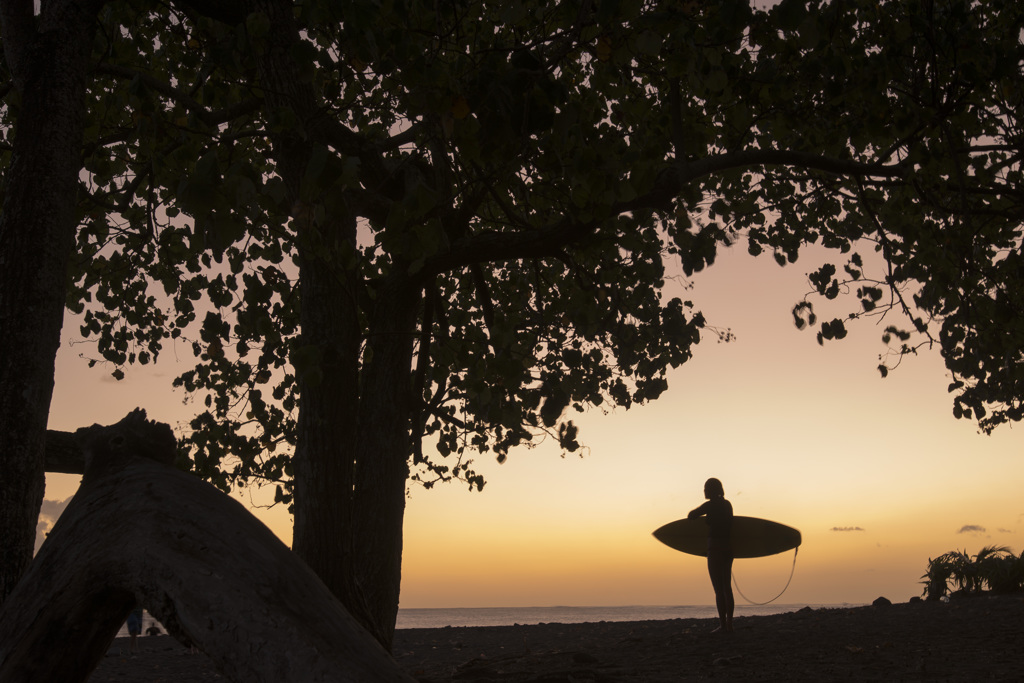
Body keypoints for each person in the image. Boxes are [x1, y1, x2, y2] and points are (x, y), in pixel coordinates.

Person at [688, 477, 734, 633]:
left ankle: (722, 625)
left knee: (719, 590)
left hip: (715, 549)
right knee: (727, 587)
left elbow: (691, 515)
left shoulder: (710, 505)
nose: (704, 491)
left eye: (705, 489)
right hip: (728, 549)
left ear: (710, 490)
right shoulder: (727, 505)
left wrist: (705, 514)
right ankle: (729, 624)